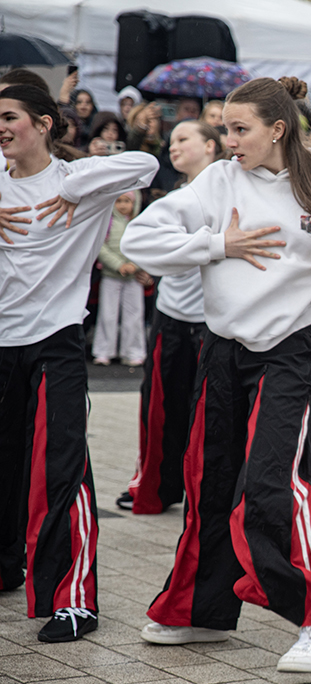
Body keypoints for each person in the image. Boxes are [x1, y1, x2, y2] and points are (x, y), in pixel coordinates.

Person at [120, 77, 311, 671]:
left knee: (268, 484)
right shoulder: (219, 180)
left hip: (294, 350)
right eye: (225, 128)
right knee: (210, 480)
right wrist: (218, 244)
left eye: (240, 128)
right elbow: (143, 238)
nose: (229, 139)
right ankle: (202, 609)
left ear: (277, 129)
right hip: (222, 349)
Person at [0, 84, 159, 642]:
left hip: (56, 342)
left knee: (59, 467)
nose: (1, 127)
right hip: (1, 344)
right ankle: (7, 566)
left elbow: (145, 162)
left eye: (9, 116)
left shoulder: (75, 182)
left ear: (43, 123)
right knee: (6, 465)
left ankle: (74, 599)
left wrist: (78, 180)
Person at [118, 120, 224, 515]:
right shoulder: (175, 196)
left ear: (211, 146)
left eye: (184, 139)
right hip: (173, 315)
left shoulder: (229, 191)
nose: (173, 146)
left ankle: (203, 490)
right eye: (171, 140)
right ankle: (154, 484)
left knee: (207, 412)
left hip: (214, 322)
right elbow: (142, 243)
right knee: (159, 407)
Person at [92, 191, 147, 365]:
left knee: (134, 315)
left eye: (127, 201)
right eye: (118, 201)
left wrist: (133, 265)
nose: (123, 205)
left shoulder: (140, 224)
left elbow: (145, 247)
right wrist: (118, 265)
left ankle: (133, 352)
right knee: (107, 314)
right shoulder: (106, 222)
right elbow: (100, 247)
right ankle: (103, 351)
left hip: (133, 278)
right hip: (110, 276)